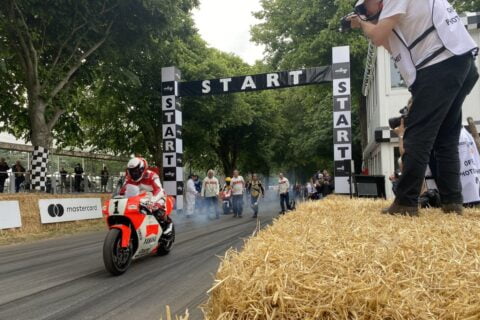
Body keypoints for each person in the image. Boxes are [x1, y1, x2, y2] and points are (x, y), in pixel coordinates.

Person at [350, 0, 479, 215]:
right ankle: (452, 202)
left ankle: (405, 202)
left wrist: (361, 24)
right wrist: (369, 21)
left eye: (364, 8)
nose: (365, 13)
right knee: (445, 137)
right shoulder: (404, 11)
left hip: (439, 65)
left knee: (416, 137)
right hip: (459, 62)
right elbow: (391, 45)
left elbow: (379, 36)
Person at [119, 157, 172, 232]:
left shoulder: (152, 175)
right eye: (131, 171)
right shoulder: (128, 178)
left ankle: (167, 225)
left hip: (156, 197)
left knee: (157, 210)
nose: (134, 174)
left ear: (142, 169)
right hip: (139, 199)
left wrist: (152, 201)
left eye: (136, 171)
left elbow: (159, 190)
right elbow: (122, 191)